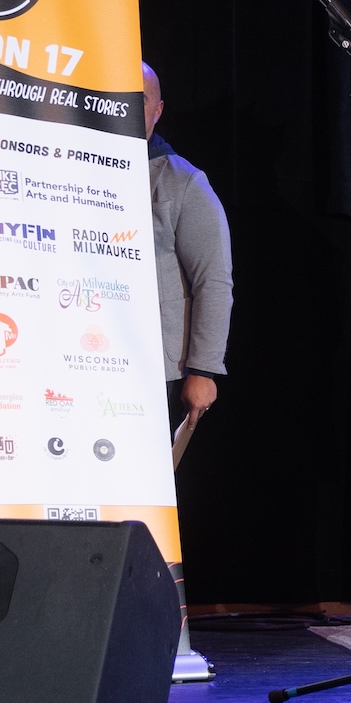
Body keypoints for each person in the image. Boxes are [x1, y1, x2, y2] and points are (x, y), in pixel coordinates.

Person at [144, 62, 234, 439]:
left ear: (158, 110)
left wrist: (203, 370)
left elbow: (212, 280)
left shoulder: (183, 181)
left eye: (140, 100)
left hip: (158, 372)